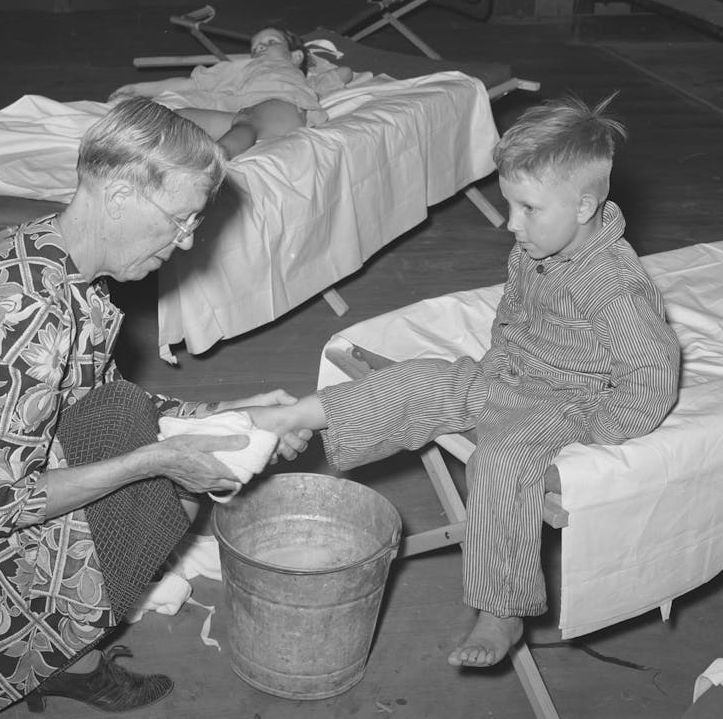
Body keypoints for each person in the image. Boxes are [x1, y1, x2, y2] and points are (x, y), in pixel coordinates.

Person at [0, 96, 311, 719]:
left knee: (128, 428)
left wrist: (227, 409)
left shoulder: (50, 256)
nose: (188, 241)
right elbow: (3, 503)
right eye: (180, 219)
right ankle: (61, 665)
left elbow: (96, 401)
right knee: (155, 499)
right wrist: (157, 460)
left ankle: (62, 657)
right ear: (119, 196)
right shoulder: (27, 317)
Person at [247, 93, 681, 669]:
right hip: (507, 374)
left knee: (499, 463)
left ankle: (502, 608)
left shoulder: (615, 286)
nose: (512, 224)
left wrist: (600, 431)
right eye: (509, 205)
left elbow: (653, 374)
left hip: (564, 401)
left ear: (583, 207)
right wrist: (500, 359)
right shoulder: (536, 248)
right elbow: (515, 312)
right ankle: (296, 415)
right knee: (420, 379)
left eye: (528, 209)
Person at [109, 26, 353, 158]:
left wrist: (310, 64)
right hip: (240, 115)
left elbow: (344, 73)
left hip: (283, 109)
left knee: (247, 121)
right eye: (256, 47)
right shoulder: (241, 68)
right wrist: (137, 89)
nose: (261, 49)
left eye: (271, 42)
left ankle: (214, 162)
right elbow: (190, 83)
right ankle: (138, 157)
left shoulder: (298, 78)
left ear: (295, 55)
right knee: (176, 118)